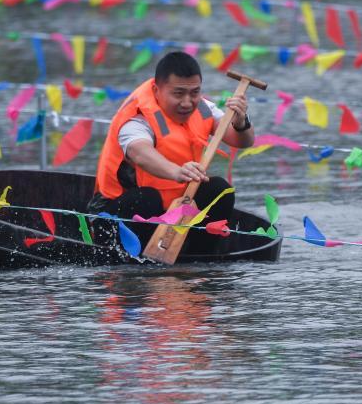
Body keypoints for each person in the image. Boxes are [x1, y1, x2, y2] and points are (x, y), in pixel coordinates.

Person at [91, 51, 256, 253]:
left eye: (194, 92)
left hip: (176, 206)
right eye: (178, 94)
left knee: (220, 190)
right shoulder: (137, 117)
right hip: (117, 211)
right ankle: (137, 261)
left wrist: (241, 122)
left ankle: (198, 258)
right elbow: (140, 152)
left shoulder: (204, 108)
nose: (187, 102)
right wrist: (177, 172)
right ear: (156, 89)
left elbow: (242, 141)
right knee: (146, 199)